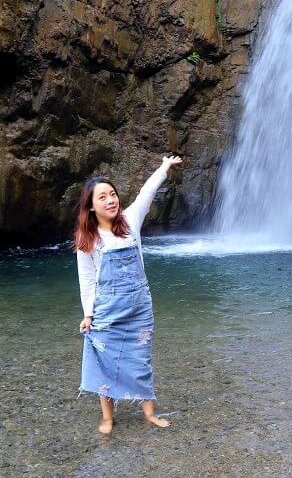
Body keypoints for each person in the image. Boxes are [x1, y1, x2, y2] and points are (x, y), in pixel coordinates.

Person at [73, 154, 182, 434]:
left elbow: (147, 193)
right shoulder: (88, 241)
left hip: (138, 307)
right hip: (107, 310)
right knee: (104, 359)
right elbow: (87, 281)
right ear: (91, 207)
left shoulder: (130, 221)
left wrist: (163, 168)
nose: (111, 200)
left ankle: (150, 413)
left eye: (113, 194)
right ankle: (108, 418)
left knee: (141, 358)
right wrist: (88, 315)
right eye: (103, 197)